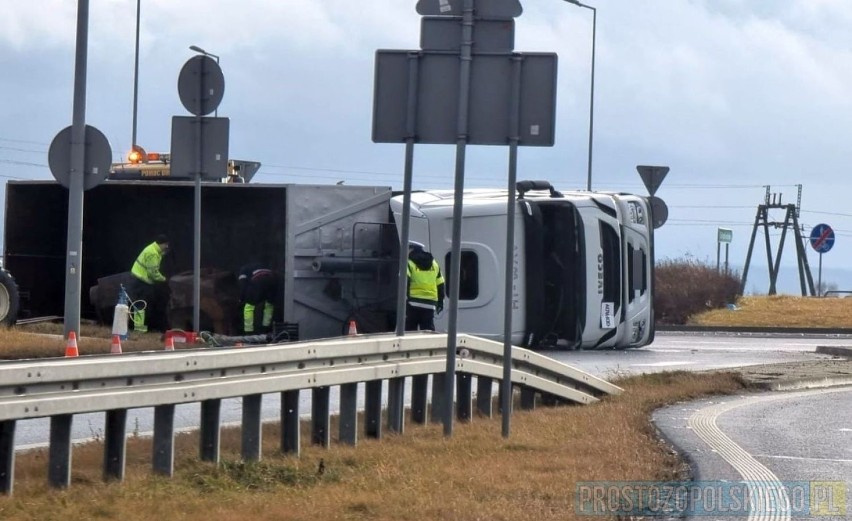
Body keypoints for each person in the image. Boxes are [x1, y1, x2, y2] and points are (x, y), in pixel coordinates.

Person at [129, 234, 170, 333]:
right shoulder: (153, 254)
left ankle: (140, 326)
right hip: (142, 280)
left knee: (141, 303)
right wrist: (164, 279)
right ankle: (139, 328)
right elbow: (153, 273)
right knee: (141, 304)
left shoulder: (153, 249)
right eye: (166, 245)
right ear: (161, 244)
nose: (167, 247)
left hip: (139, 278)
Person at [406, 241, 445, 331]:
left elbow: (404, 282)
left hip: (413, 302)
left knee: (410, 331)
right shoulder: (434, 264)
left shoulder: (408, 263)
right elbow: (440, 284)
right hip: (430, 303)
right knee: (428, 330)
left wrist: (406, 298)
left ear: (412, 249)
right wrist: (440, 302)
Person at [238, 262, 279, 334]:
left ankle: (248, 330)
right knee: (269, 304)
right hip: (272, 279)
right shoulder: (263, 265)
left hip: (258, 280)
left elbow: (243, 284)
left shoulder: (243, 269)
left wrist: (241, 298)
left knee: (249, 306)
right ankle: (266, 328)